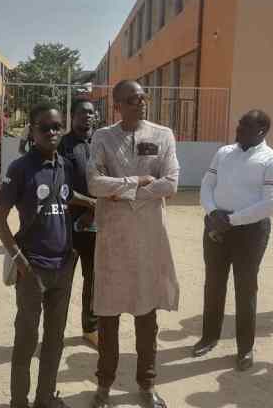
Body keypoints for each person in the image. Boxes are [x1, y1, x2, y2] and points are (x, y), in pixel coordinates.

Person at [87, 80, 180, 408]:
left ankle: (147, 384)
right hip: (113, 239)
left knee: (146, 315)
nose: (139, 103)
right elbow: (94, 183)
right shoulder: (103, 137)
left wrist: (123, 193)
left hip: (149, 239)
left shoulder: (162, 135)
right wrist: (136, 182)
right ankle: (104, 386)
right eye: (131, 99)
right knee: (108, 315)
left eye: (142, 98)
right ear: (117, 106)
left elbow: (171, 183)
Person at [0, 102, 88, 408]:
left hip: (63, 266)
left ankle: (45, 398)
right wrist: (18, 259)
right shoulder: (20, 168)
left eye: (57, 127)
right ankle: (19, 401)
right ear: (32, 131)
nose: (52, 132)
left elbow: (65, 196)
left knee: (55, 339)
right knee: (26, 339)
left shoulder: (66, 165)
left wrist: (92, 203)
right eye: (45, 128)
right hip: (32, 268)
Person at [195, 110, 273, 371]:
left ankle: (245, 348)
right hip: (216, 225)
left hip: (250, 232)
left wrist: (231, 220)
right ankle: (209, 337)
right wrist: (213, 212)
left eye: (245, 126)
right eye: (239, 124)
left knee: (245, 289)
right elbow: (207, 184)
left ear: (262, 131)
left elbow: (271, 204)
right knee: (213, 284)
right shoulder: (224, 153)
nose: (238, 129)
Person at [58, 98, 98, 347]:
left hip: (97, 225)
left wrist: (94, 212)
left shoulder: (101, 143)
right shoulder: (62, 145)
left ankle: (90, 328)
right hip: (68, 225)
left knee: (94, 279)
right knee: (63, 281)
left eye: (91, 112)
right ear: (72, 116)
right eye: (83, 112)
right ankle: (55, 332)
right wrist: (89, 206)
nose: (88, 116)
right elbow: (60, 187)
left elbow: (112, 179)